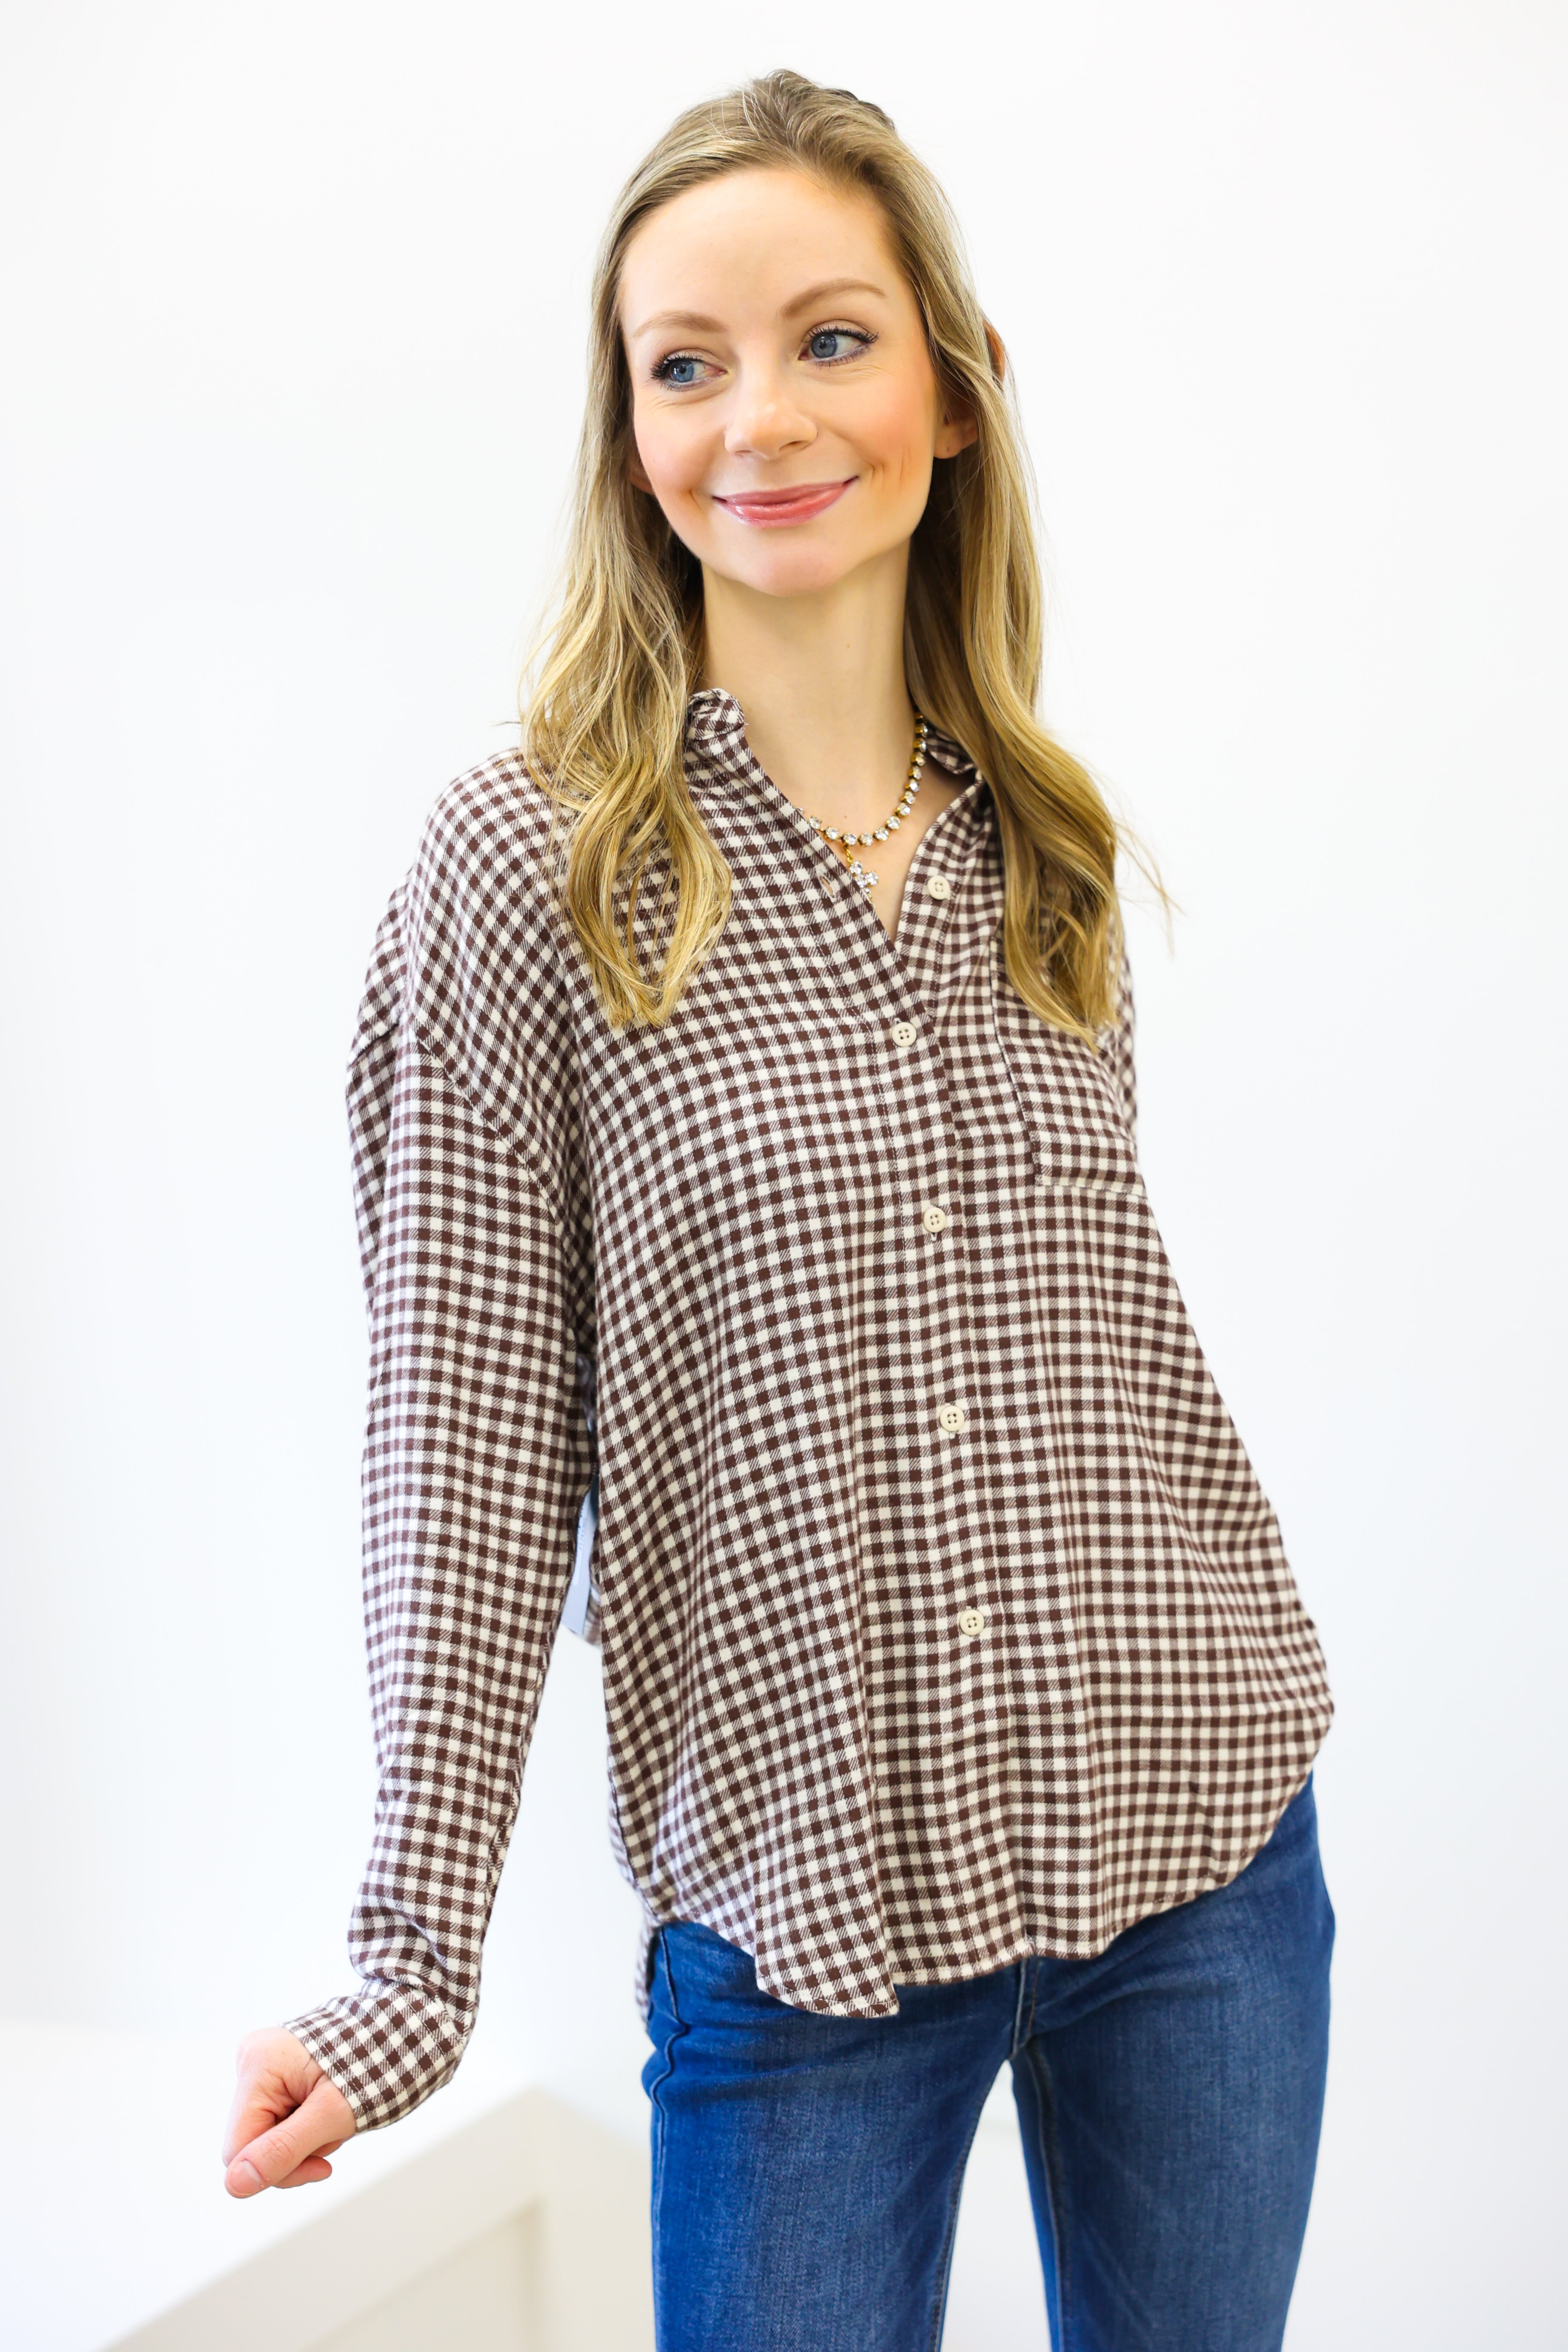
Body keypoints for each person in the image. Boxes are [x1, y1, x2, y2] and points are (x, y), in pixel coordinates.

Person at [222, 69, 1335, 2352]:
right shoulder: (522, 877)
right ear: (627, 432)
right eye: (684, 362)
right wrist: (406, 1969)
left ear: (952, 384)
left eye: (830, 337)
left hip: (1207, 1852)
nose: (759, 416)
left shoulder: (1047, 843)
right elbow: (468, 1443)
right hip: (806, 1934)